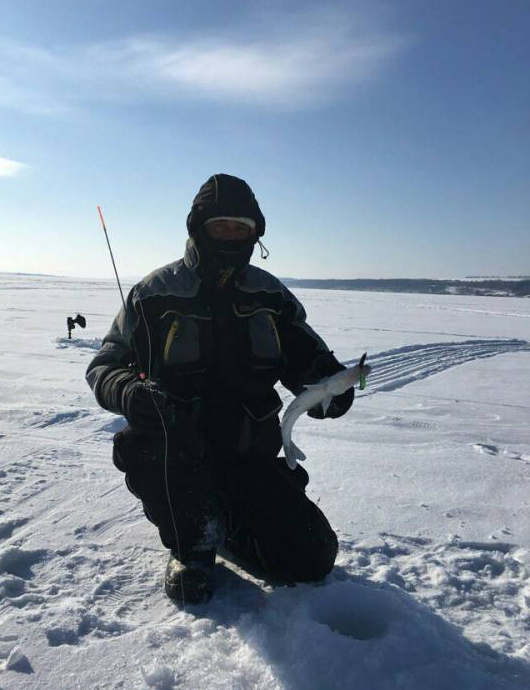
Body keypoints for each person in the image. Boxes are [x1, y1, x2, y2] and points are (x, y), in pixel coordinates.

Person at [86, 174, 354, 603]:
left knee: (312, 558)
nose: (231, 235)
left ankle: (225, 520)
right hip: (178, 455)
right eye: (221, 225)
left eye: (241, 227)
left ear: (255, 233)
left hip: (250, 453)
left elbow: (308, 361)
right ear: (199, 227)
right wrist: (130, 393)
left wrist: (330, 388)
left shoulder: (271, 296)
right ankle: (191, 547)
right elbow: (104, 367)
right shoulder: (154, 294)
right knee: (150, 444)